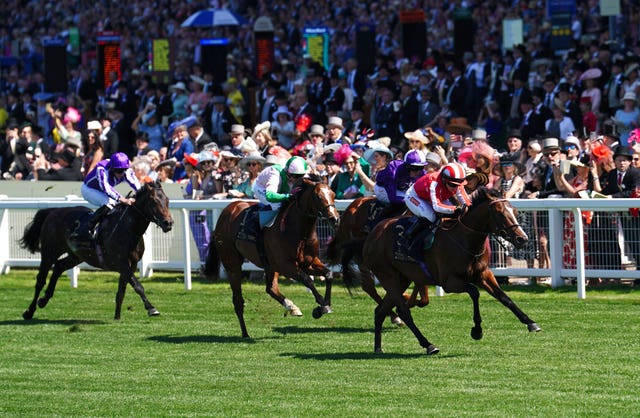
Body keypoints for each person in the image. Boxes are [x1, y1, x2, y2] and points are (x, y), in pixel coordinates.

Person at [403, 162, 472, 264]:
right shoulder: (434, 182)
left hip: (435, 197)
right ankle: (410, 238)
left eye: (458, 185)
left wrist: (469, 208)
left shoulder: (456, 183)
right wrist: (455, 208)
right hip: (415, 197)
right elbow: (437, 206)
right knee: (431, 216)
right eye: (452, 185)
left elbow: (466, 201)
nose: (455, 188)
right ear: (444, 180)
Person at [71, 152, 140, 248]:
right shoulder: (102, 168)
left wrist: (142, 194)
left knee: (117, 205)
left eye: (124, 170)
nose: (121, 174)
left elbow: (136, 185)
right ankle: (84, 230)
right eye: (118, 171)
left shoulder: (126, 170)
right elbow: (106, 188)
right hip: (89, 189)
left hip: (102, 190)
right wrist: (122, 199)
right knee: (110, 202)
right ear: (112, 168)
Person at [252, 155, 309, 265]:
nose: (297, 179)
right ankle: (265, 233)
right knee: (278, 205)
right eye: (294, 176)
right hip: (261, 188)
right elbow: (270, 195)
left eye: (300, 176)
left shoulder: (297, 173)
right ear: (287, 172)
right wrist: (287, 196)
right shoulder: (275, 174)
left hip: (278, 190)